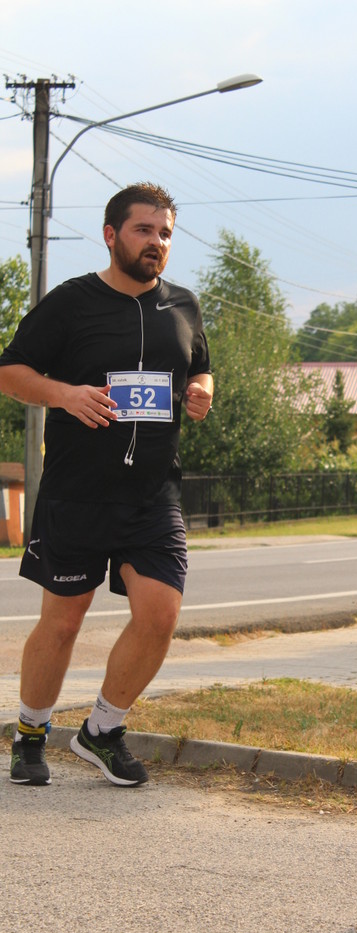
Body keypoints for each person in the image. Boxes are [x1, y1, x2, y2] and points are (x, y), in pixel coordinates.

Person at [0, 182, 213, 788]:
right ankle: (31, 734)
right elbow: (10, 372)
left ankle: (101, 730)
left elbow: (200, 367)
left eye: (166, 233)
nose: (157, 242)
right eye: (145, 230)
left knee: (160, 616)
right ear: (111, 234)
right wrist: (64, 394)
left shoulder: (184, 306)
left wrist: (202, 393)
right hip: (79, 490)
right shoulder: (71, 303)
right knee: (64, 621)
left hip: (152, 492)